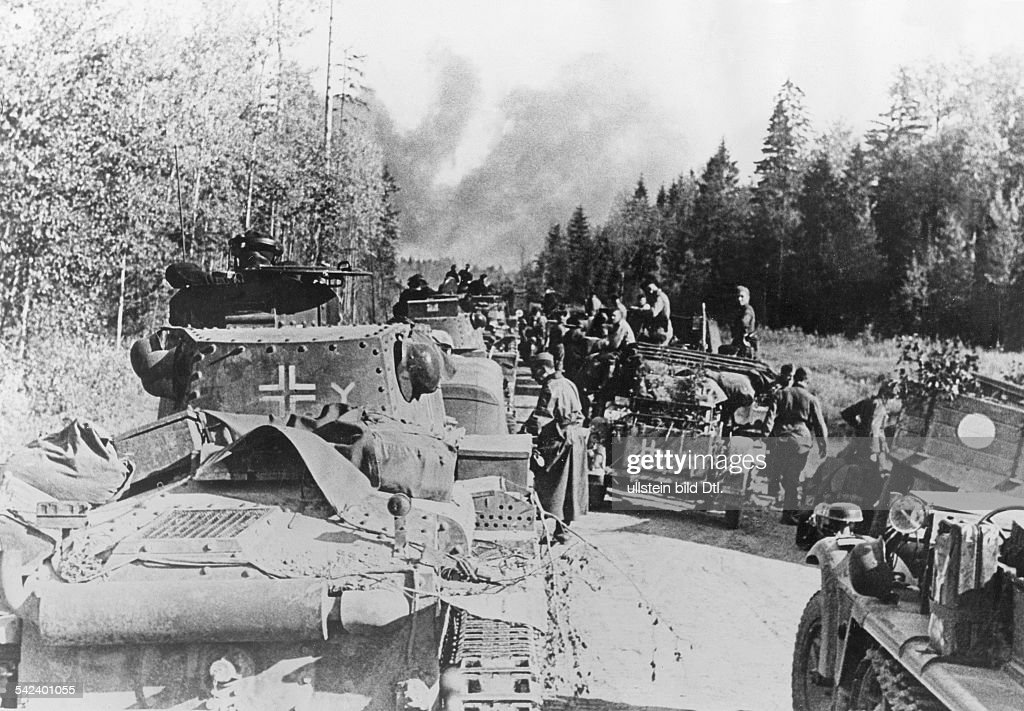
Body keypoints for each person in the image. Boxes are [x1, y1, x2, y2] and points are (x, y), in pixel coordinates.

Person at [521, 352, 586, 542]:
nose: (534, 377)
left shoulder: (550, 386)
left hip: (560, 440)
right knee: (569, 487)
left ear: (543, 368)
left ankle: (552, 527)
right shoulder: (568, 383)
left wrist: (521, 434)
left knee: (552, 485)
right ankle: (562, 530)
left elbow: (541, 416)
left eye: (535, 372)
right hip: (575, 438)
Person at [763, 366, 828, 525]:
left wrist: (765, 435)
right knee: (793, 477)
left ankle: (774, 489)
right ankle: (788, 514)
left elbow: (770, 417)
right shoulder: (811, 399)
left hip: (781, 437)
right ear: (807, 380)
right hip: (801, 441)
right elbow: (820, 425)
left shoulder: (781, 393)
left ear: (795, 377)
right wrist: (823, 444)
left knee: (778, 468)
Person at [726, 285, 757, 357]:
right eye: (737, 297)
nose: (739, 299)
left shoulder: (747, 309)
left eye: (742, 296)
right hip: (739, 342)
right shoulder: (740, 310)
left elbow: (744, 322)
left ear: (748, 298)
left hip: (746, 344)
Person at [641, 277, 673, 345]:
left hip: (661, 330)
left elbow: (654, 312)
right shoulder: (657, 296)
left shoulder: (660, 297)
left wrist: (641, 311)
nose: (650, 292)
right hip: (659, 328)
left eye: (650, 289)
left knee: (657, 352)